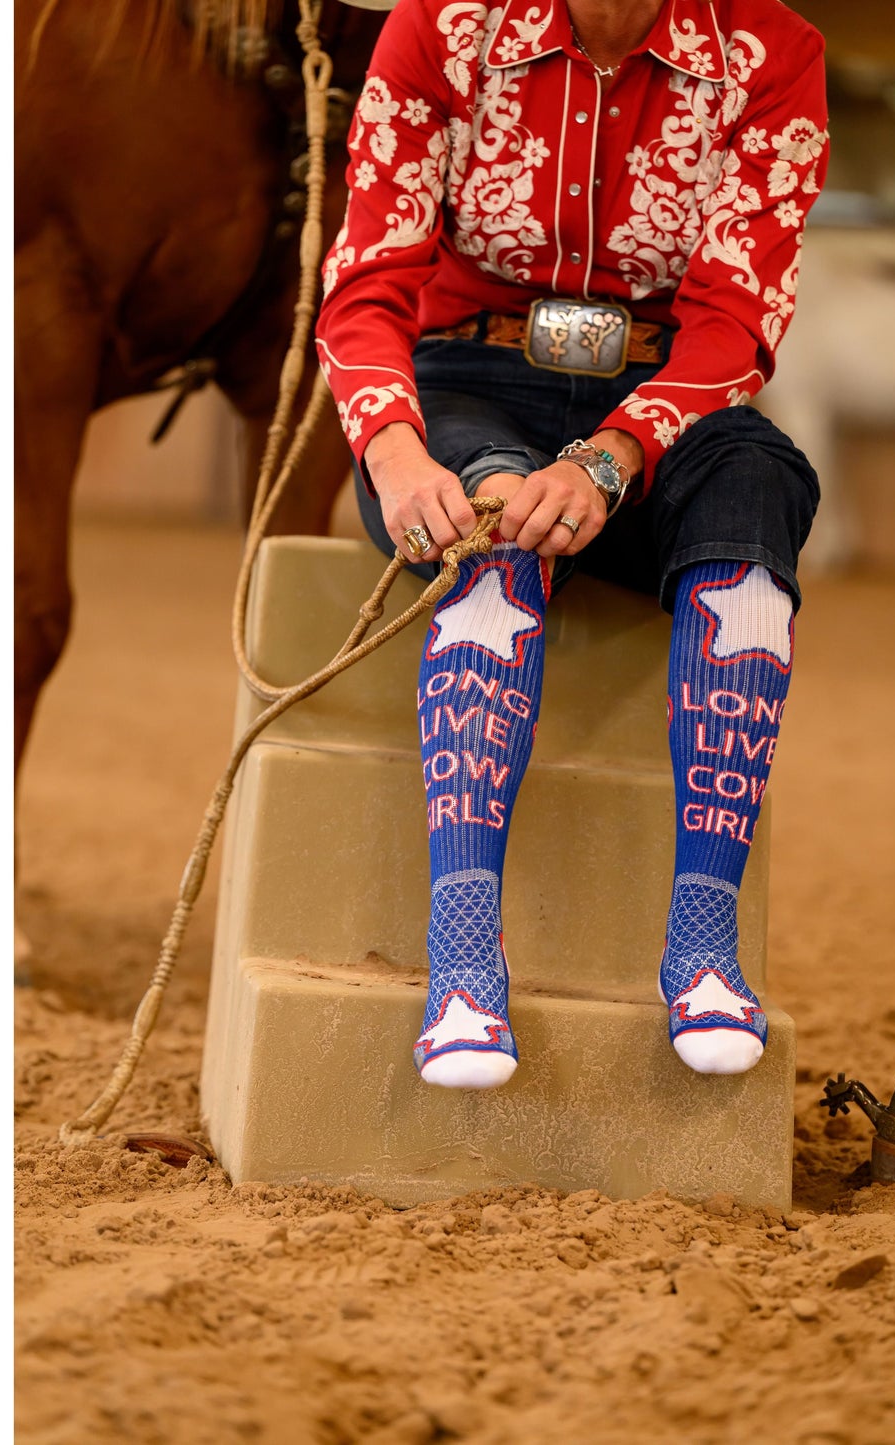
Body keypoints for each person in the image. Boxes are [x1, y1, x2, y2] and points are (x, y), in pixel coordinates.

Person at [315, 0, 827, 1089]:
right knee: (488, 522)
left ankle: (701, 942)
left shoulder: (769, 54)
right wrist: (394, 451)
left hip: (662, 401)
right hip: (462, 385)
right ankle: (461, 961)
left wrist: (610, 456)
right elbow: (365, 282)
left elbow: (738, 315)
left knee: (755, 490)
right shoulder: (440, 29)